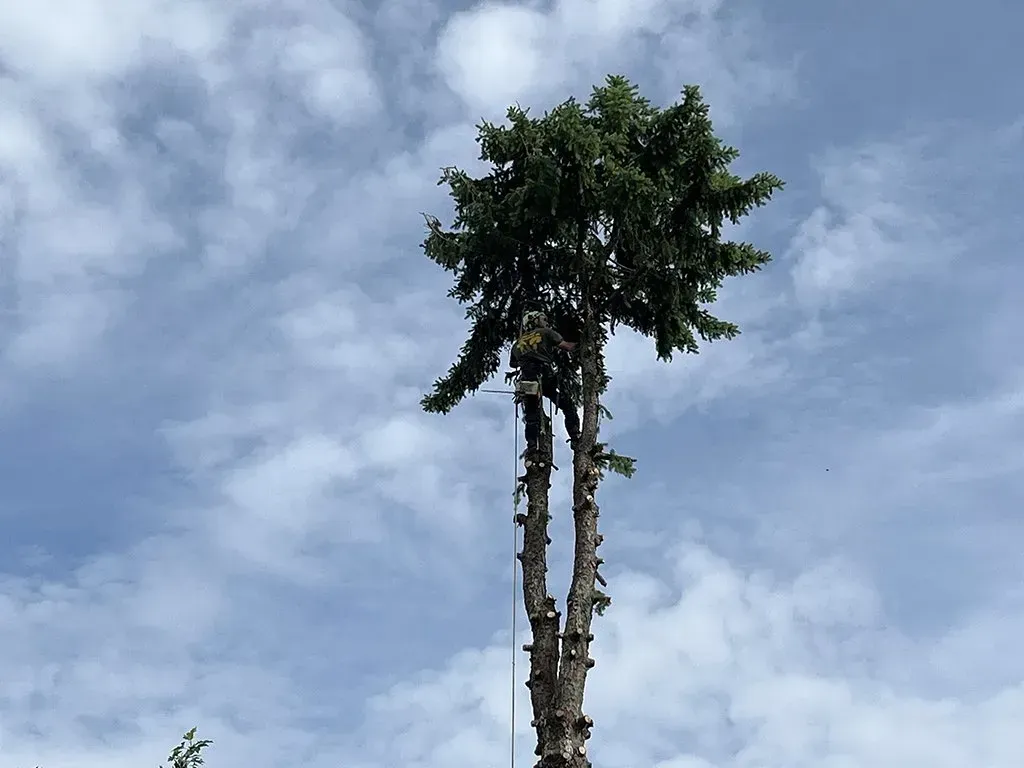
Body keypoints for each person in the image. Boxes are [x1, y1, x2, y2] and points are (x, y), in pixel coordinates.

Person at [508, 310, 581, 452]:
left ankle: (532, 446)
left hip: (528, 380)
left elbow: (513, 364)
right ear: (535, 321)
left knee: (531, 416)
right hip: (545, 376)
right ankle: (575, 436)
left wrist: (526, 355)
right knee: (567, 405)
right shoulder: (546, 332)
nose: (546, 321)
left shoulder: (517, 343)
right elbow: (567, 347)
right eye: (543, 319)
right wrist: (580, 342)